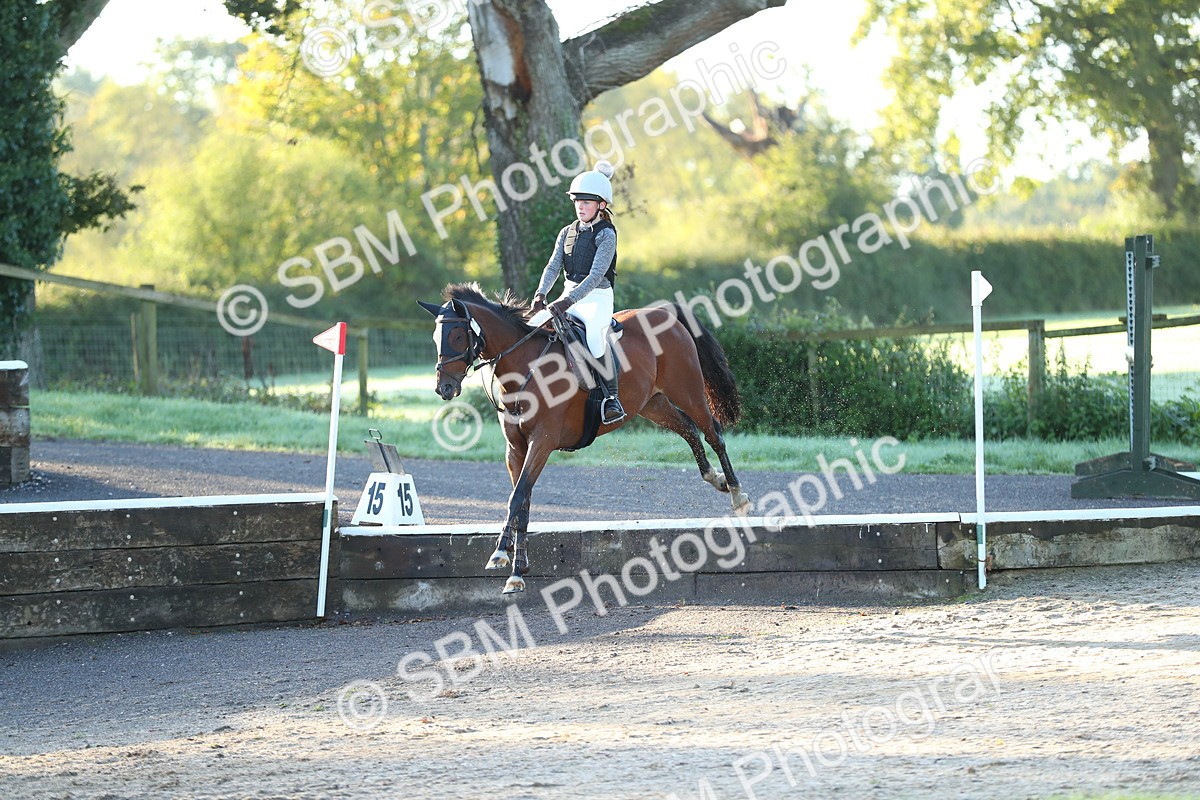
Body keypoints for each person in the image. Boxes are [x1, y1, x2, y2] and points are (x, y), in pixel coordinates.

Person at [527, 159, 626, 424]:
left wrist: (567, 301)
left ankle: (611, 399)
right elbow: (553, 266)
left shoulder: (607, 234)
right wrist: (540, 294)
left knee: (594, 337)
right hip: (568, 294)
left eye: (587, 202)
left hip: (597, 296)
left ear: (601, 205)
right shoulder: (566, 232)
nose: (580, 207)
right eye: (577, 202)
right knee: (532, 327)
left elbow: (595, 276)